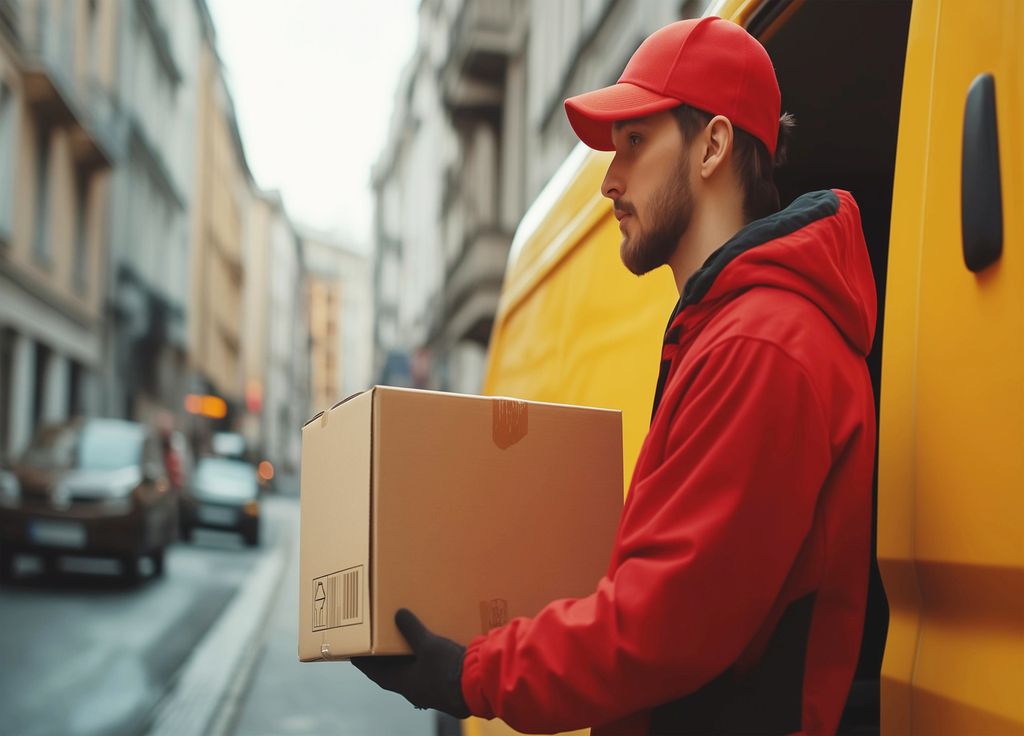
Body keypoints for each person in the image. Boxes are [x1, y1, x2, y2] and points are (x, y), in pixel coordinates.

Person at [354, 16, 877, 736]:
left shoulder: (763, 345)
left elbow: (661, 627)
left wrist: (468, 672)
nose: (609, 180)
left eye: (634, 142)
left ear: (713, 146)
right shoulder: (727, 331)